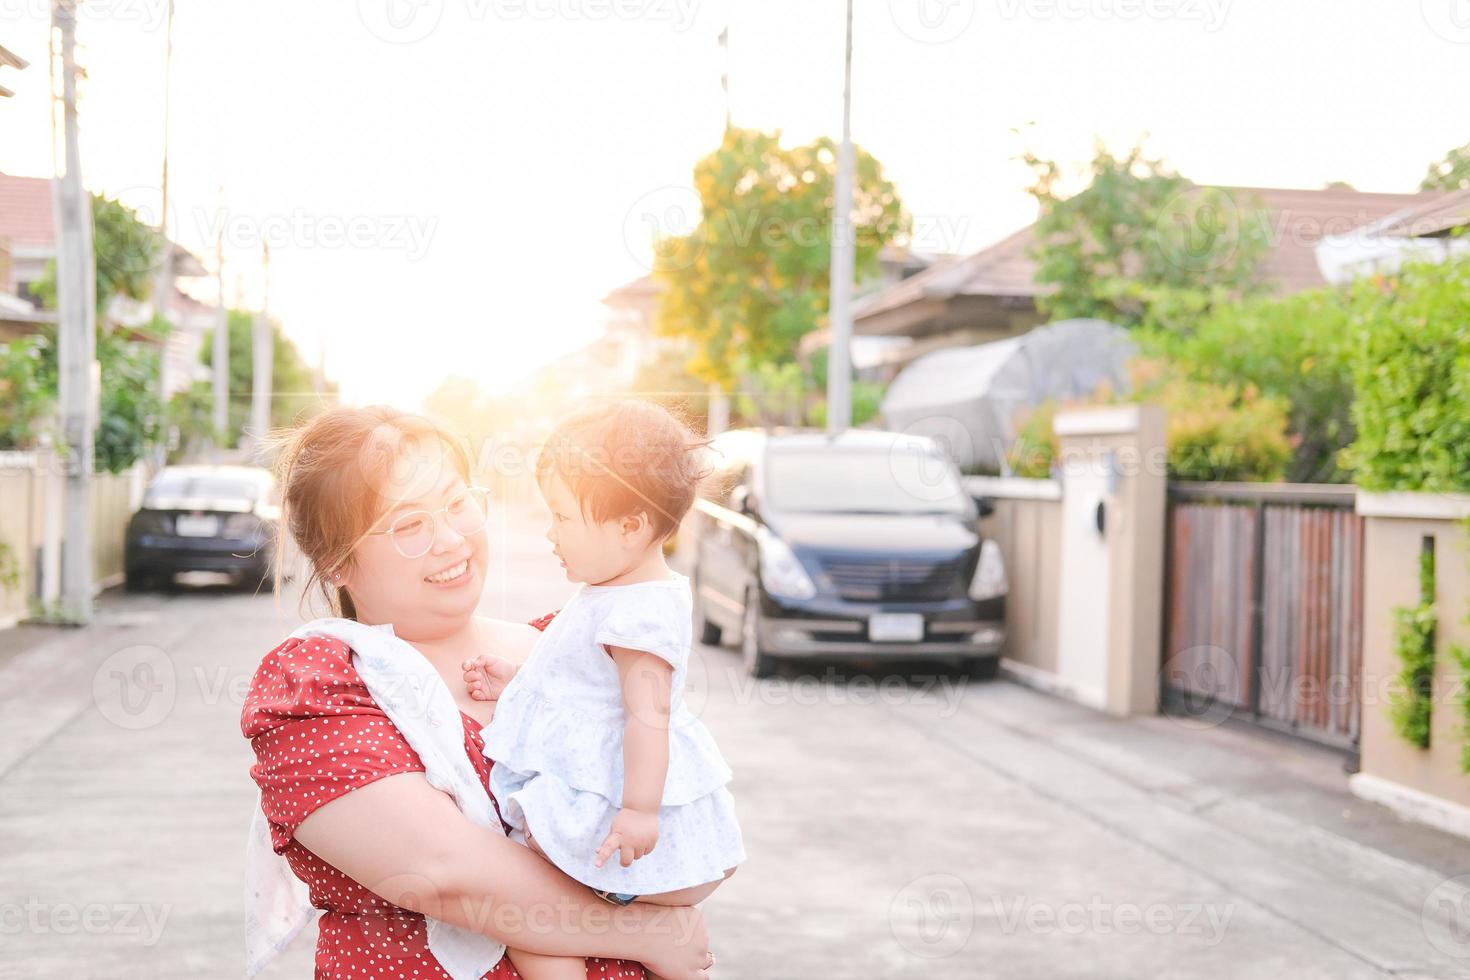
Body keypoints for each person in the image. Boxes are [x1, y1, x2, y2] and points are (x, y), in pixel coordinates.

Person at [241, 405, 715, 980]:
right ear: (337, 561)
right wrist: (646, 932)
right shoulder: (321, 685)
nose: (450, 539)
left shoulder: (570, 649)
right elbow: (442, 872)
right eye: (409, 525)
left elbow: (673, 826)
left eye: (458, 503)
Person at [463, 401, 744, 980]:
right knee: (542, 924)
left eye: (564, 518)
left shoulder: (640, 612)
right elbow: (588, 692)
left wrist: (639, 812)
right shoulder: (616, 590)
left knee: (535, 928)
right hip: (603, 800)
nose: (550, 532)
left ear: (630, 527)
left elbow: (648, 717)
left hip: (609, 810)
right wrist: (518, 683)